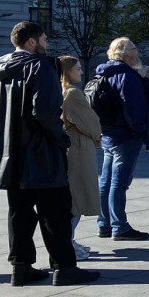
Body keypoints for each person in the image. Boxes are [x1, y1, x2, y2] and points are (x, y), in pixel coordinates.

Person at [0, 22, 100, 286]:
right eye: (44, 39)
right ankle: (64, 268)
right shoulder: (39, 65)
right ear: (32, 41)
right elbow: (44, 110)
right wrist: (61, 140)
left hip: (11, 155)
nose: (46, 44)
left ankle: (21, 268)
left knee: (18, 213)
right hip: (41, 153)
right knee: (56, 212)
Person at [95, 37, 149, 241]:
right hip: (125, 136)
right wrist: (141, 130)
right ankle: (120, 226)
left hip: (109, 134)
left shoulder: (104, 73)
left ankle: (104, 223)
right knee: (119, 183)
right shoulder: (127, 76)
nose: (138, 53)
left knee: (106, 182)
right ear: (128, 54)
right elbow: (133, 109)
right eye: (135, 49)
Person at [58, 57, 100, 261]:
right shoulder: (73, 93)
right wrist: (97, 136)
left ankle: (68, 241)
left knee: (73, 198)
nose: (81, 72)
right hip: (78, 149)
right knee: (78, 198)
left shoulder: (61, 91)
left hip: (71, 147)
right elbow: (91, 122)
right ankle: (68, 243)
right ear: (67, 71)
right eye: (77, 69)